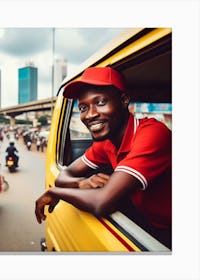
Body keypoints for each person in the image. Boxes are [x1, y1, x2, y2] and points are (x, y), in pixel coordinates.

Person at [35, 66, 172, 249]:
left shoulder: (153, 133)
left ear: (124, 101)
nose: (90, 114)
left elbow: (101, 203)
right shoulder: (105, 142)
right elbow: (64, 176)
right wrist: (80, 183)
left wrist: (54, 192)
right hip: (147, 221)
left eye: (100, 102)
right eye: (83, 107)